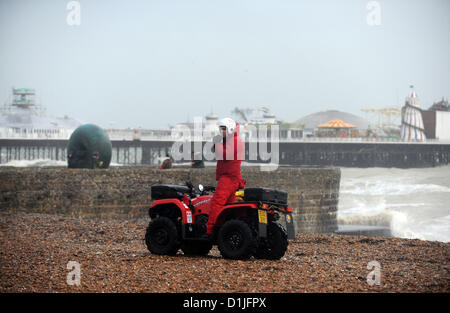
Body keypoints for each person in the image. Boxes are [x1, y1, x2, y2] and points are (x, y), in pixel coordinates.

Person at [206, 117, 246, 235]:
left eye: (224, 129)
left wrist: (217, 143)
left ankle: (210, 230)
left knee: (216, 203)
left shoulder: (234, 140)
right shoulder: (232, 140)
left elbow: (225, 155)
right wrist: (217, 144)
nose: (221, 131)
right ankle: (226, 230)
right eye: (221, 129)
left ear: (230, 129)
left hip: (229, 177)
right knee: (229, 206)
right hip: (232, 177)